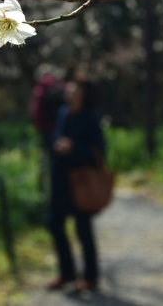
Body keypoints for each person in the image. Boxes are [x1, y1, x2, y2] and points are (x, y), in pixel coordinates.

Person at [46, 79, 106, 293]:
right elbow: (55, 137)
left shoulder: (90, 119)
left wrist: (74, 148)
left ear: (84, 94)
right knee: (54, 223)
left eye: (75, 88)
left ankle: (90, 277)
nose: (69, 90)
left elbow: (98, 152)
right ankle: (67, 271)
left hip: (80, 183)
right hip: (59, 179)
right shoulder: (63, 113)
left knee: (83, 229)